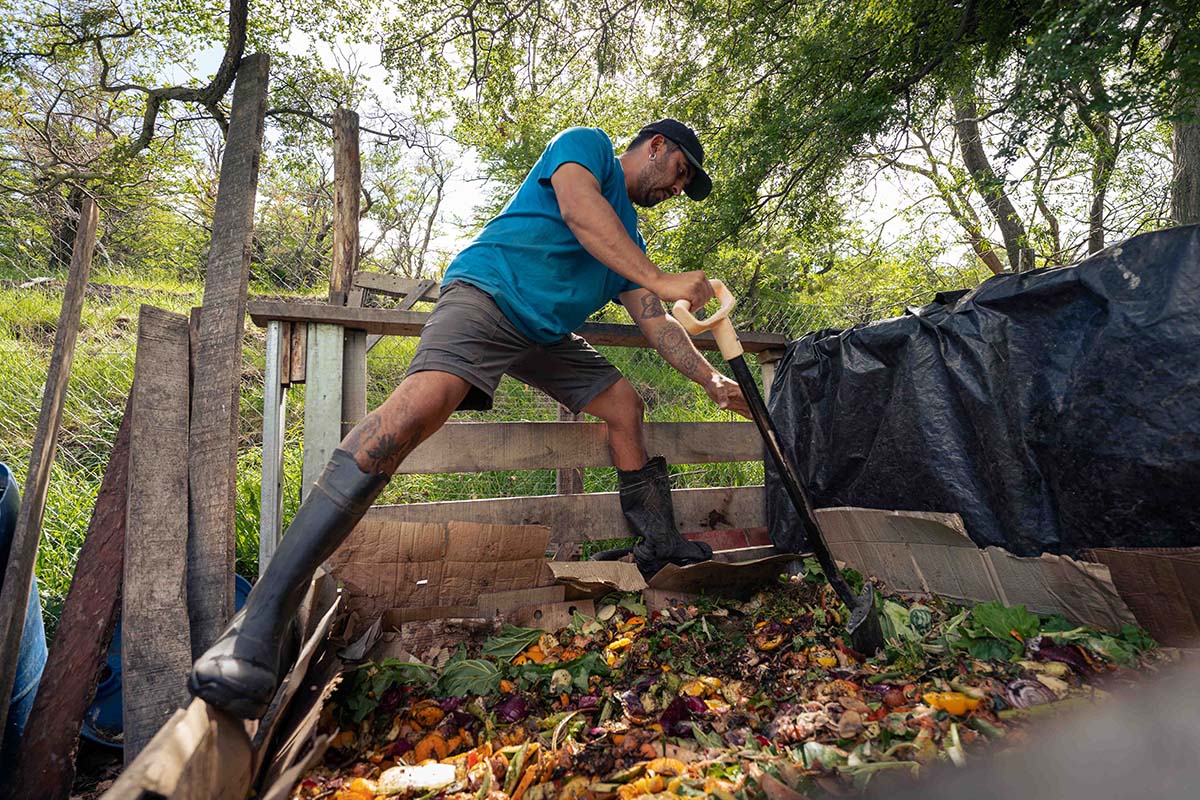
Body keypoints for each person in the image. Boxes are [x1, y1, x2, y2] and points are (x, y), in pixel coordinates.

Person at [189, 118, 751, 718]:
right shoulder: (587, 149)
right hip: (487, 296)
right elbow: (580, 212)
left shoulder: (628, 245)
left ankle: (658, 545)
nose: (677, 188)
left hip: (542, 335)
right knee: (415, 412)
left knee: (624, 403)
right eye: (680, 173)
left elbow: (658, 324)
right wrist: (662, 278)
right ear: (656, 146)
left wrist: (712, 380)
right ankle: (260, 620)